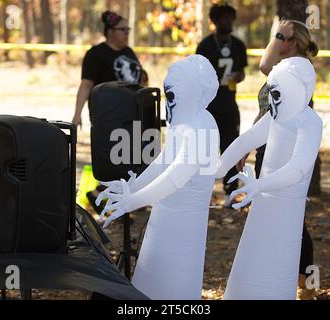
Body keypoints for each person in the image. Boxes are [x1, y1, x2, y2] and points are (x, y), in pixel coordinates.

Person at [96, 55, 220, 299]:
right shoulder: (184, 123)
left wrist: (134, 200)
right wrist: (132, 187)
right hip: (166, 212)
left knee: (175, 283)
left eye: (171, 95)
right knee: (152, 278)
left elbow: (177, 176)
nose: (167, 103)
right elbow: (164, 160)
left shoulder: (201, 126)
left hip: (184, 222)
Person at [216, 19, 322, 299]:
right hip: (264, 193)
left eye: (277, 92)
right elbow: (248, 137)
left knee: (283, 254)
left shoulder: (309, 122)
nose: (273, 98)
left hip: (284, 200)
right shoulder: (276, 117)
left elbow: (298, 168)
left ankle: (305, 285)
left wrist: (258, 186)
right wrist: (214, 169)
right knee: (255, 254)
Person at [71, 10, 143, 213]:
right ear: (110, 32)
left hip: (132, 116)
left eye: (128, 29)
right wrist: (77, 114)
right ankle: (98, 196)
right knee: (114, 163)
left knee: (133, 161)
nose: (127, 33)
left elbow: (139, 78)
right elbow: (86, 85)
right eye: (123, 30)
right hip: (109, 118)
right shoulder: (96, 54)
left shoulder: (128, 52)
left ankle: (120, 201)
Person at [196, 2, 248, 207]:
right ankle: (204, 191)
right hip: (209, 106)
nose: (228, 21)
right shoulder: (206, 46)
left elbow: (242, 72)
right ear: (214, 21)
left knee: (231, 147)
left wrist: (238, 76)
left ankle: (231, 191)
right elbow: (198, 74)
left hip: (229, 104)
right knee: (207, 150)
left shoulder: (238, 45)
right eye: (224, 17)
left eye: (231, 17)